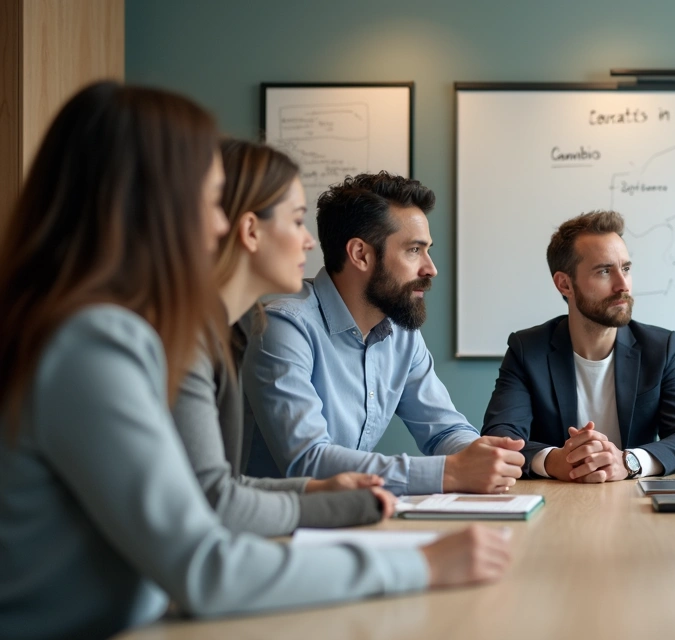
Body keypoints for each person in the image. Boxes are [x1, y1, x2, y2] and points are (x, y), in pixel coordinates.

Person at [0, 82, 509, 640]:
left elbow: (205, 496)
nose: (223, 227)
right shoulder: (93, 344)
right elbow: (206, 566)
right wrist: (423, 564)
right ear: (151, 204)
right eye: (209, 201)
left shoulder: (115, 334)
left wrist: (324, 498)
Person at [242, 172, 524, 495]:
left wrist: (482, 455)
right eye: (414, 250)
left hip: (351, 519)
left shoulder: (401, 332)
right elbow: (309, 461)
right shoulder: (282, 328)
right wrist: (450, 472)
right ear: (360, 254)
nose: (430, 268)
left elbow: (444, 429)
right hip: (273, 530)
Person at [170, 139, 396, 537]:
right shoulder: (187, 341)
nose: (309, 241)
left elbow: (219, 485)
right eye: (296, 221)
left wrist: (316, 489)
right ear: (250, 231)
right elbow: (212, 501)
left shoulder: (226, 330)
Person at [482, 210, 675, 481]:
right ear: (565, 284)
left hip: (633, 502)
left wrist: (629, 461)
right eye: (604, 271)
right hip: (554, 502)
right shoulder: (527, 349)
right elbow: (499, 439)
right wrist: (554, 460)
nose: (622, 285)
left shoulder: (659, 347)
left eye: (625, 268)